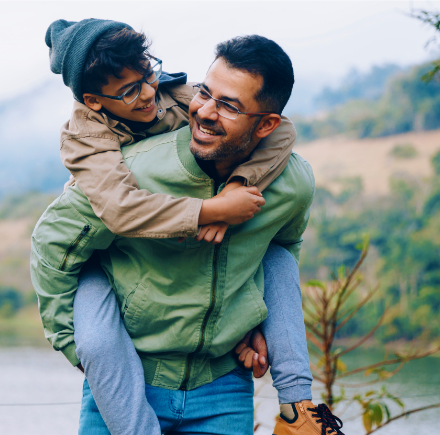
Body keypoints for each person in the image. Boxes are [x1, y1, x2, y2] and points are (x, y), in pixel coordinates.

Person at [32, 19, 345, 435]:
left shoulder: (178, 96)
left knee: (277, 256)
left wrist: (241, 185)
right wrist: (210, 210)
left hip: (221, 382)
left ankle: (299, 410)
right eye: (128, 91)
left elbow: (283, 132)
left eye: (148, 75)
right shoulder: (89, 138)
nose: (146, 94)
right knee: (99, 341)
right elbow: (109, 215)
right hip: (116, 301)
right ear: (94, 100)